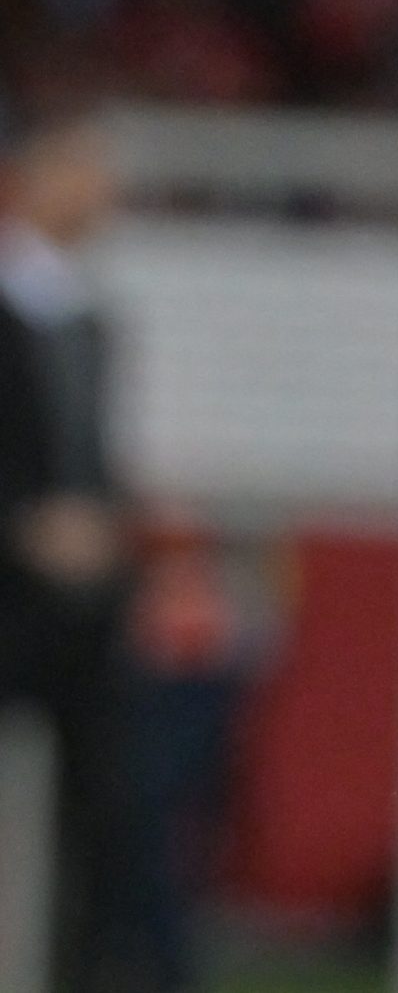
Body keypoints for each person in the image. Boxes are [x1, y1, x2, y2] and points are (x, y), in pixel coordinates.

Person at [0, 109, 134, 993]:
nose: (104, 194)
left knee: (99, 808)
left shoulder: (89, 311)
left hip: (83, 605)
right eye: (85, 171)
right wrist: (23, 518)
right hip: (10, 592)